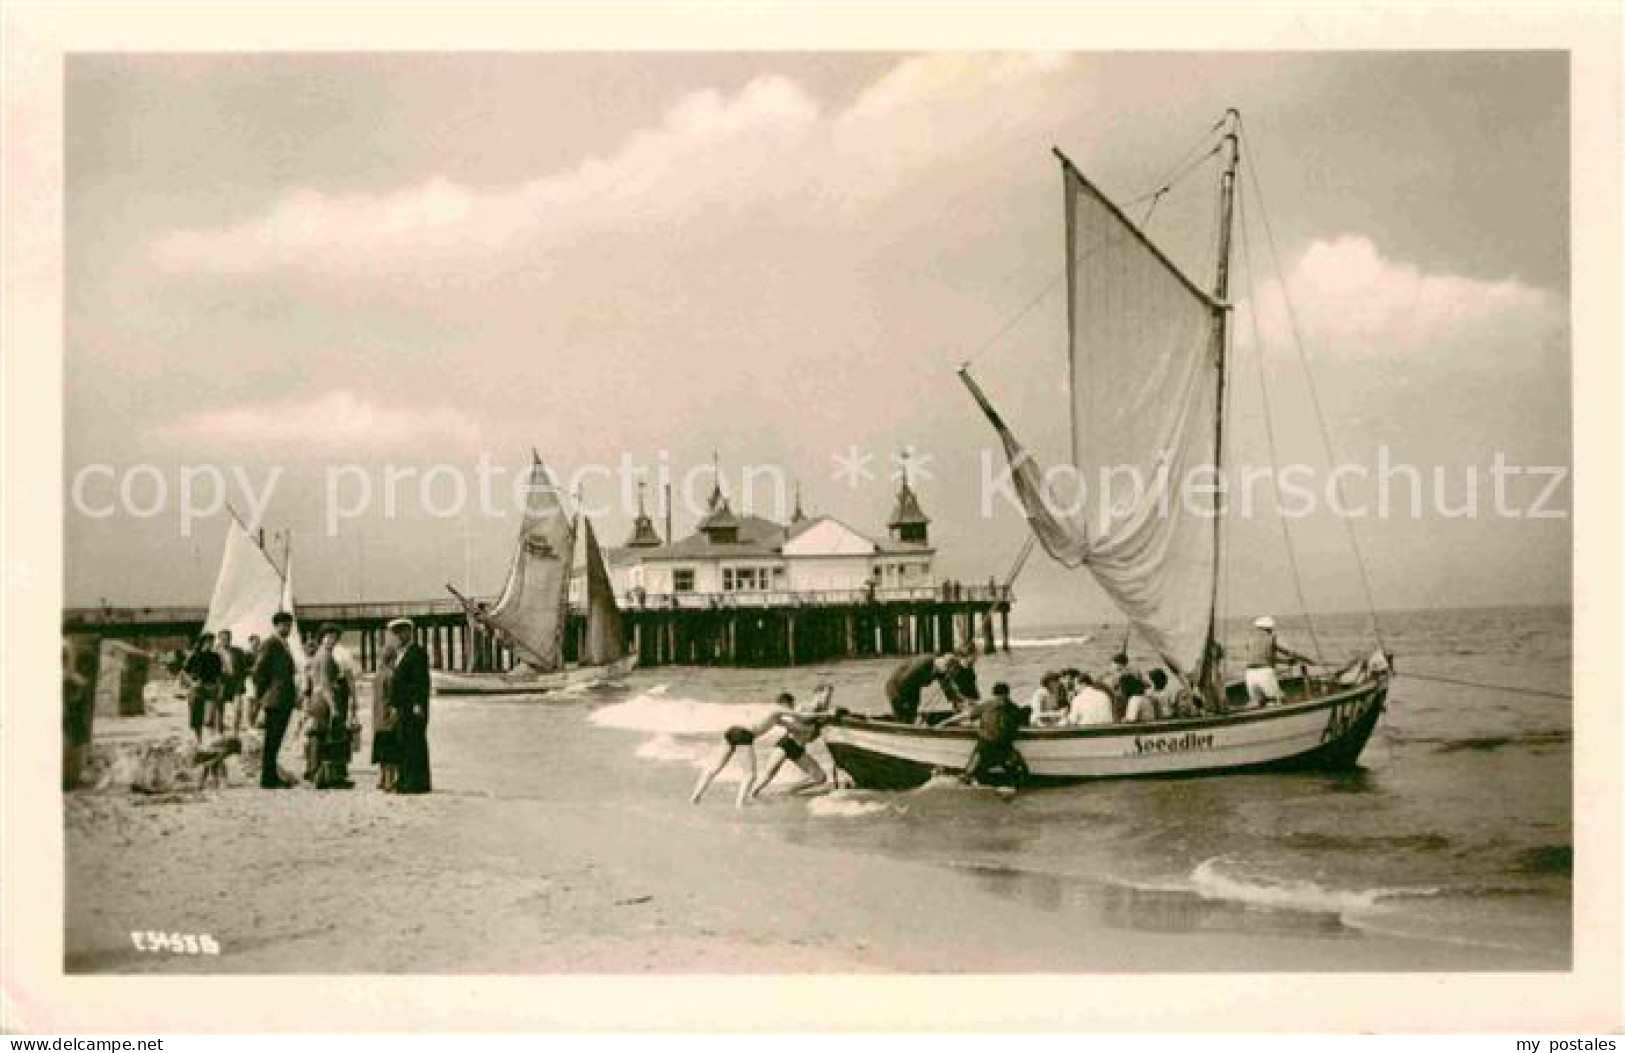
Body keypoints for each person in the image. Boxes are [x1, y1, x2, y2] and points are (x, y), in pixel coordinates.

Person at [691, 697, 791, 808]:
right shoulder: (776, 708)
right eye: (790, 706)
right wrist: (810, 713)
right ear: (785, 704)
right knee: (750, 775)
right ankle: (740, 804)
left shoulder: (772, 715)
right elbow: (802, 716)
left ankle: (695, 797)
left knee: (715, 768)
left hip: (732, 730)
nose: (791, 709)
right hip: (743, 734)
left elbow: (795, 725)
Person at [939, 681, 1030, 792]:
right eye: (1000, 697)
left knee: (969, 774)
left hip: (995, 745)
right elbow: (1023, 721)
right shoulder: (1009, 707)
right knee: (1018, 775)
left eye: (1001, 697)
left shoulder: (994, 705)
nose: (1000, 701)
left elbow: (965, 716)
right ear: (1006, 694)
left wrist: (945, 722)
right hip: (995, 746)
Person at [752, 685, 837, 798]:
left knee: (820, 777)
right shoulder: (803, 707)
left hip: (799, 748)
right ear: (817, 694)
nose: (828, 700)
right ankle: (751, 795)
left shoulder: (825, 713)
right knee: (768, 776)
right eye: (826, 697)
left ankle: (791, 791)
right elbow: (791, 724)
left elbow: (814, 735)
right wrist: (808, 727)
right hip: (787, 743)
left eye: (830, 698)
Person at [251, 612, 299, 788]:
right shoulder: (270, 643)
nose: (288, 628)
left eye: (289, 625)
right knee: (272, 740)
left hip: (282, 698)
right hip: (275, 699)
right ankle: (268, 778)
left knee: (276, 740)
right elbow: (258, 671)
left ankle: (270, 776)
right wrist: (265, 694)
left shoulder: (282, 644)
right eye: (285, 625)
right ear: (276, 625)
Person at [308, 624, 355, 790]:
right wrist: (334, 706)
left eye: (334, 637)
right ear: (322, 638)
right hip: (325, 700)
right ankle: (328, 777)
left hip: (316, 699)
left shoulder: (317, 654)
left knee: (318, 736)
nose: (331, 640)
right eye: (328, 637)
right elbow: (326, 684)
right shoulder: (326, 656)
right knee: (330, 738)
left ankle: (316, 773)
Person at [390, 618, 433, 794]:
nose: (399, 635)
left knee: (415, 743)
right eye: (397, 632)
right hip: (403, 706)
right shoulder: (402, 653)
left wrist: (418, 704)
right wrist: (394, 704)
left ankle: (416, 783)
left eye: (402, 631)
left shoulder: (417, 653)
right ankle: (406, 780)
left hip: (413, 707)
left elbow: (422, 682)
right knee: (404, 743)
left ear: (410, 632)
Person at [1244, 616, 1313, 707]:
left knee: (1258, 702)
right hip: (1264, 673)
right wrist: (1307, 660)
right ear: (1269, 628)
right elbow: (1289, 652)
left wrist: (1286, 662)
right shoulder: (1271, 637)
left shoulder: (1250, 640)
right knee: (1279, 700)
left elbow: (1266, 657)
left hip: (1249, 674)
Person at [884, 653, 967, 724]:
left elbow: (947, 687)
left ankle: (910, 725)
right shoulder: (920, 666)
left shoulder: (940, 668)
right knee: (903, 715)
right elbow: (903, 683)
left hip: (913, 688)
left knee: (911, 714)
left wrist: (957, 701)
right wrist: (906, 704)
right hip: (896, 688)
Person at [181, 633, 223, 744]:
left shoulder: (216, 657)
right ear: (203, 642)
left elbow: (219, 675)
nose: (211, 644)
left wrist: (219, 689)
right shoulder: (194, 656)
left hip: (211, 687)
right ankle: (199, 740)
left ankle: (210, 740)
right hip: (197, 688)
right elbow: (184, 672)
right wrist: (192, 683)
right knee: (197, 715)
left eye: (212, 642)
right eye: (209, 642)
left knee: (210, 717)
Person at [372, 636, 401, 791]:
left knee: (381, 751)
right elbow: (393, 696)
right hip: (388, 717)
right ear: (392, 659)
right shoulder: (391, 675)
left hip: (377, 718)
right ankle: (389, 782)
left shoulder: (377, 675)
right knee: (391, 751)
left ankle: (382, 779)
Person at [216, 630, 248, 733]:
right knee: (220, 709)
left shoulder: (238, 651)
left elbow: (244, 668)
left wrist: (242, 681)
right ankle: (219, 732)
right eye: (223, 639)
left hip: (236, 682)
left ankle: (235, 732)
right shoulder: (214, 652)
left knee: (238, 708)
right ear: (219, 639)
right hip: (221, 683)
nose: (226, 641)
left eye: (228, 639)